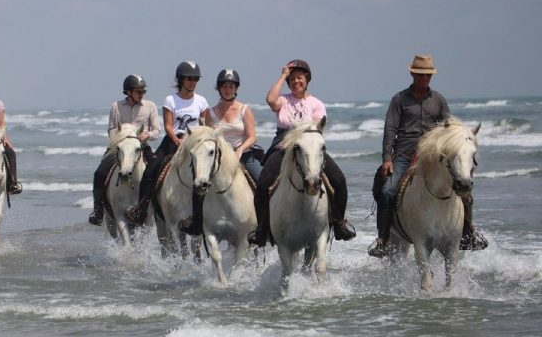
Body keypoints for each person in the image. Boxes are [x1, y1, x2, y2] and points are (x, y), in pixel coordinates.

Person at [368, 55, 488, 258]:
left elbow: (450, 130)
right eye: (421, 74)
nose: (425, 78)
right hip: (405, 154)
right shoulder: (399, 99)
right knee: (387, 191)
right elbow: (390, 129)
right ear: (413, 73)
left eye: (428, 75)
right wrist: (388, 158)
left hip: (432, 157)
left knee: (464, 188)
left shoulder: (438, 100)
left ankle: (469, 233)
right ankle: (383, 239)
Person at [247, 60, 356, 247]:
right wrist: (282, 76)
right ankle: (262, 229)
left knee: (339, 180)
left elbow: (315, 129)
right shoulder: (284, 100)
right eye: (293, 78)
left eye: (300, 78)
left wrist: (303, 137)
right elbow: (270, 101)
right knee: (264, 182)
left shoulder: (316, 104)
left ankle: (338, 223)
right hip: (283, 144)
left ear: (307, 80)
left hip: (309, 146)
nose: (297, 81)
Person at [176, 68, 264, 237]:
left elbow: (252, 137)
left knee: (262, 183)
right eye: (224, 86)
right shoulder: (210, 112)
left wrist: (240, 149)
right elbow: (206, 138)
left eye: (231, 86)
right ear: (219, 88)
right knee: (199, 184)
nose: (228, 89)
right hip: (218, 158)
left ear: (236, 88)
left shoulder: (245, 110)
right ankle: (196, 222)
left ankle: (264, 225)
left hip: (242, 154)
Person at [124, 60, 209, 230]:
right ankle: (141, 208)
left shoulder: (201, 101)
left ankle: (207, 213)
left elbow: (205, 124)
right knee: (151, 169)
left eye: (195, 79)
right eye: (189, 78)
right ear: (181, 80)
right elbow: (169, 125)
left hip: (194, 142)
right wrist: (176, 140)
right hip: (173, 140)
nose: (193, 82)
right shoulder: (171, 100)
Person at [88, 74, 160, 226]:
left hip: (141, 145)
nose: (142, 95)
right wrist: (123, 137)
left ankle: (158, 207)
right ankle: (98, 210)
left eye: (143, 92)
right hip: (119, 147)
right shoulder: (116, 106)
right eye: (138, 92)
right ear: (128, 92)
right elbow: (111, 130)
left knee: (156, 170)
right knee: (99, 173)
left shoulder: (150, 106)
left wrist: (147, 135)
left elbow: (156, 131)